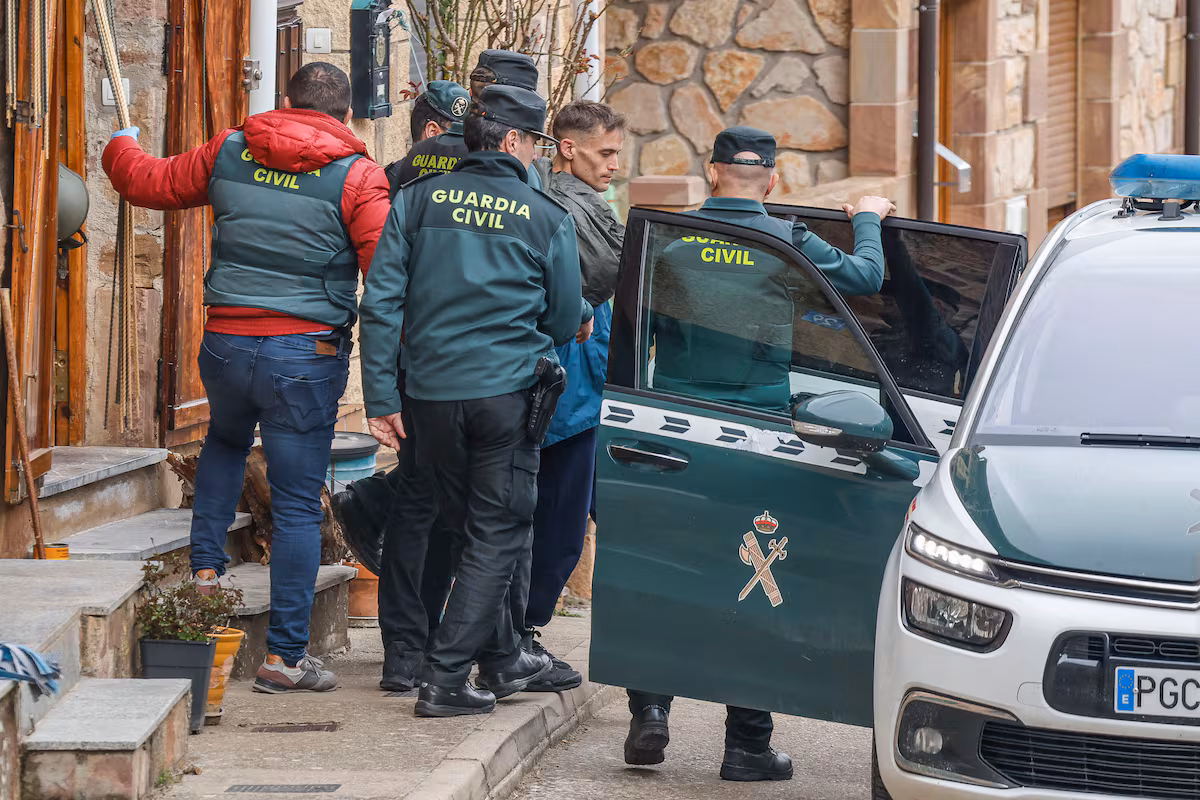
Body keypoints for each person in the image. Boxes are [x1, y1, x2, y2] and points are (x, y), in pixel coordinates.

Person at [102, 62, 390, 694]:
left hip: (227, 344)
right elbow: (388, 275)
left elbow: (146, 181)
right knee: (292, 501)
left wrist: (121, 137)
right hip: (305, 356)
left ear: (285, 101)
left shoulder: (231, 149)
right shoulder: (359, 177)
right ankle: (285, 659)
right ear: (344, 116)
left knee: (225, 446)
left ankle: (205, 573)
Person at [626, 126, 894, 780]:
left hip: (673, 430)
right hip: (760, 437)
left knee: (662, 570)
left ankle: (650, 713)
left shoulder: (670, 240)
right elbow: (867, 277)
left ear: (713, 173)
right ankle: (746, 745)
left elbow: (633, 332)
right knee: (756, 583)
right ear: (771, 180)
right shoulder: (788, 241)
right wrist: (865, 218)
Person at [359, 85, 593, 717]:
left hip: (428, 397)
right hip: (504, 397)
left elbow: (381, 304)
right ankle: (444, 677)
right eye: (537, 143)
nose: (538, 156)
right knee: (498, 534)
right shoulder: (545, 215)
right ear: (513, 141)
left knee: (470, 530)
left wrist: (381, 396)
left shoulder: (415, 200)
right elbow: (564, 315)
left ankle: (498, 656)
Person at [512, 101, 626, 692]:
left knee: (568, 527)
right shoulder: (554, 209)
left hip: (588, 391)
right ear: (566, 148)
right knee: (551, 526)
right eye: (604, 153)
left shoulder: (594, 209)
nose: (613, 165)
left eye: (616, 153)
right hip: (557, 393)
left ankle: (524, 632)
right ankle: (521, 635)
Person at [384, 81, 472, 195]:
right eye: (458, 134)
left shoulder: (392, 177)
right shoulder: (463, 181)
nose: (468, 142)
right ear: (433, 132)